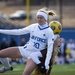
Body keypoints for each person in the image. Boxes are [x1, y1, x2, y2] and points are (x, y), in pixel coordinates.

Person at [0, 8, 55, 75]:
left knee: (25, 74)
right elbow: (18, 31)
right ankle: (7, 67)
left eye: (41, 18)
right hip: (25, 50)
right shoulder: (33, 26)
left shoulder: (49, 31)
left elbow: (50, 49)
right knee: (1, 54)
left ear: (45, 19)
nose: (39, 19)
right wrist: (1, 31)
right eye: (38, 17)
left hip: (34, 56)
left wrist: (46, 65)